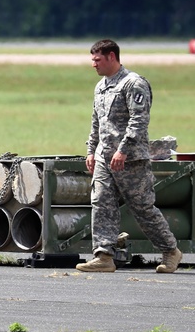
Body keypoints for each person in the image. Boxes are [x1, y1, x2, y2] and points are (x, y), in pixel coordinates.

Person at [76, 39, 183, 274]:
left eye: (97, 60)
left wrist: (123, 149)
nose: (93, 65)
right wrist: (91, 150)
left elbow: (139, 121)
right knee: (101, 203)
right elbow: (97, 122)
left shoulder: (133, 84)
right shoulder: (101, 86)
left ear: (111, 57)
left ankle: (170, 250)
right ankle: (103, 255)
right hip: (105, 157)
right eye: (92, 60)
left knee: (142, 207)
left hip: (131, 159)